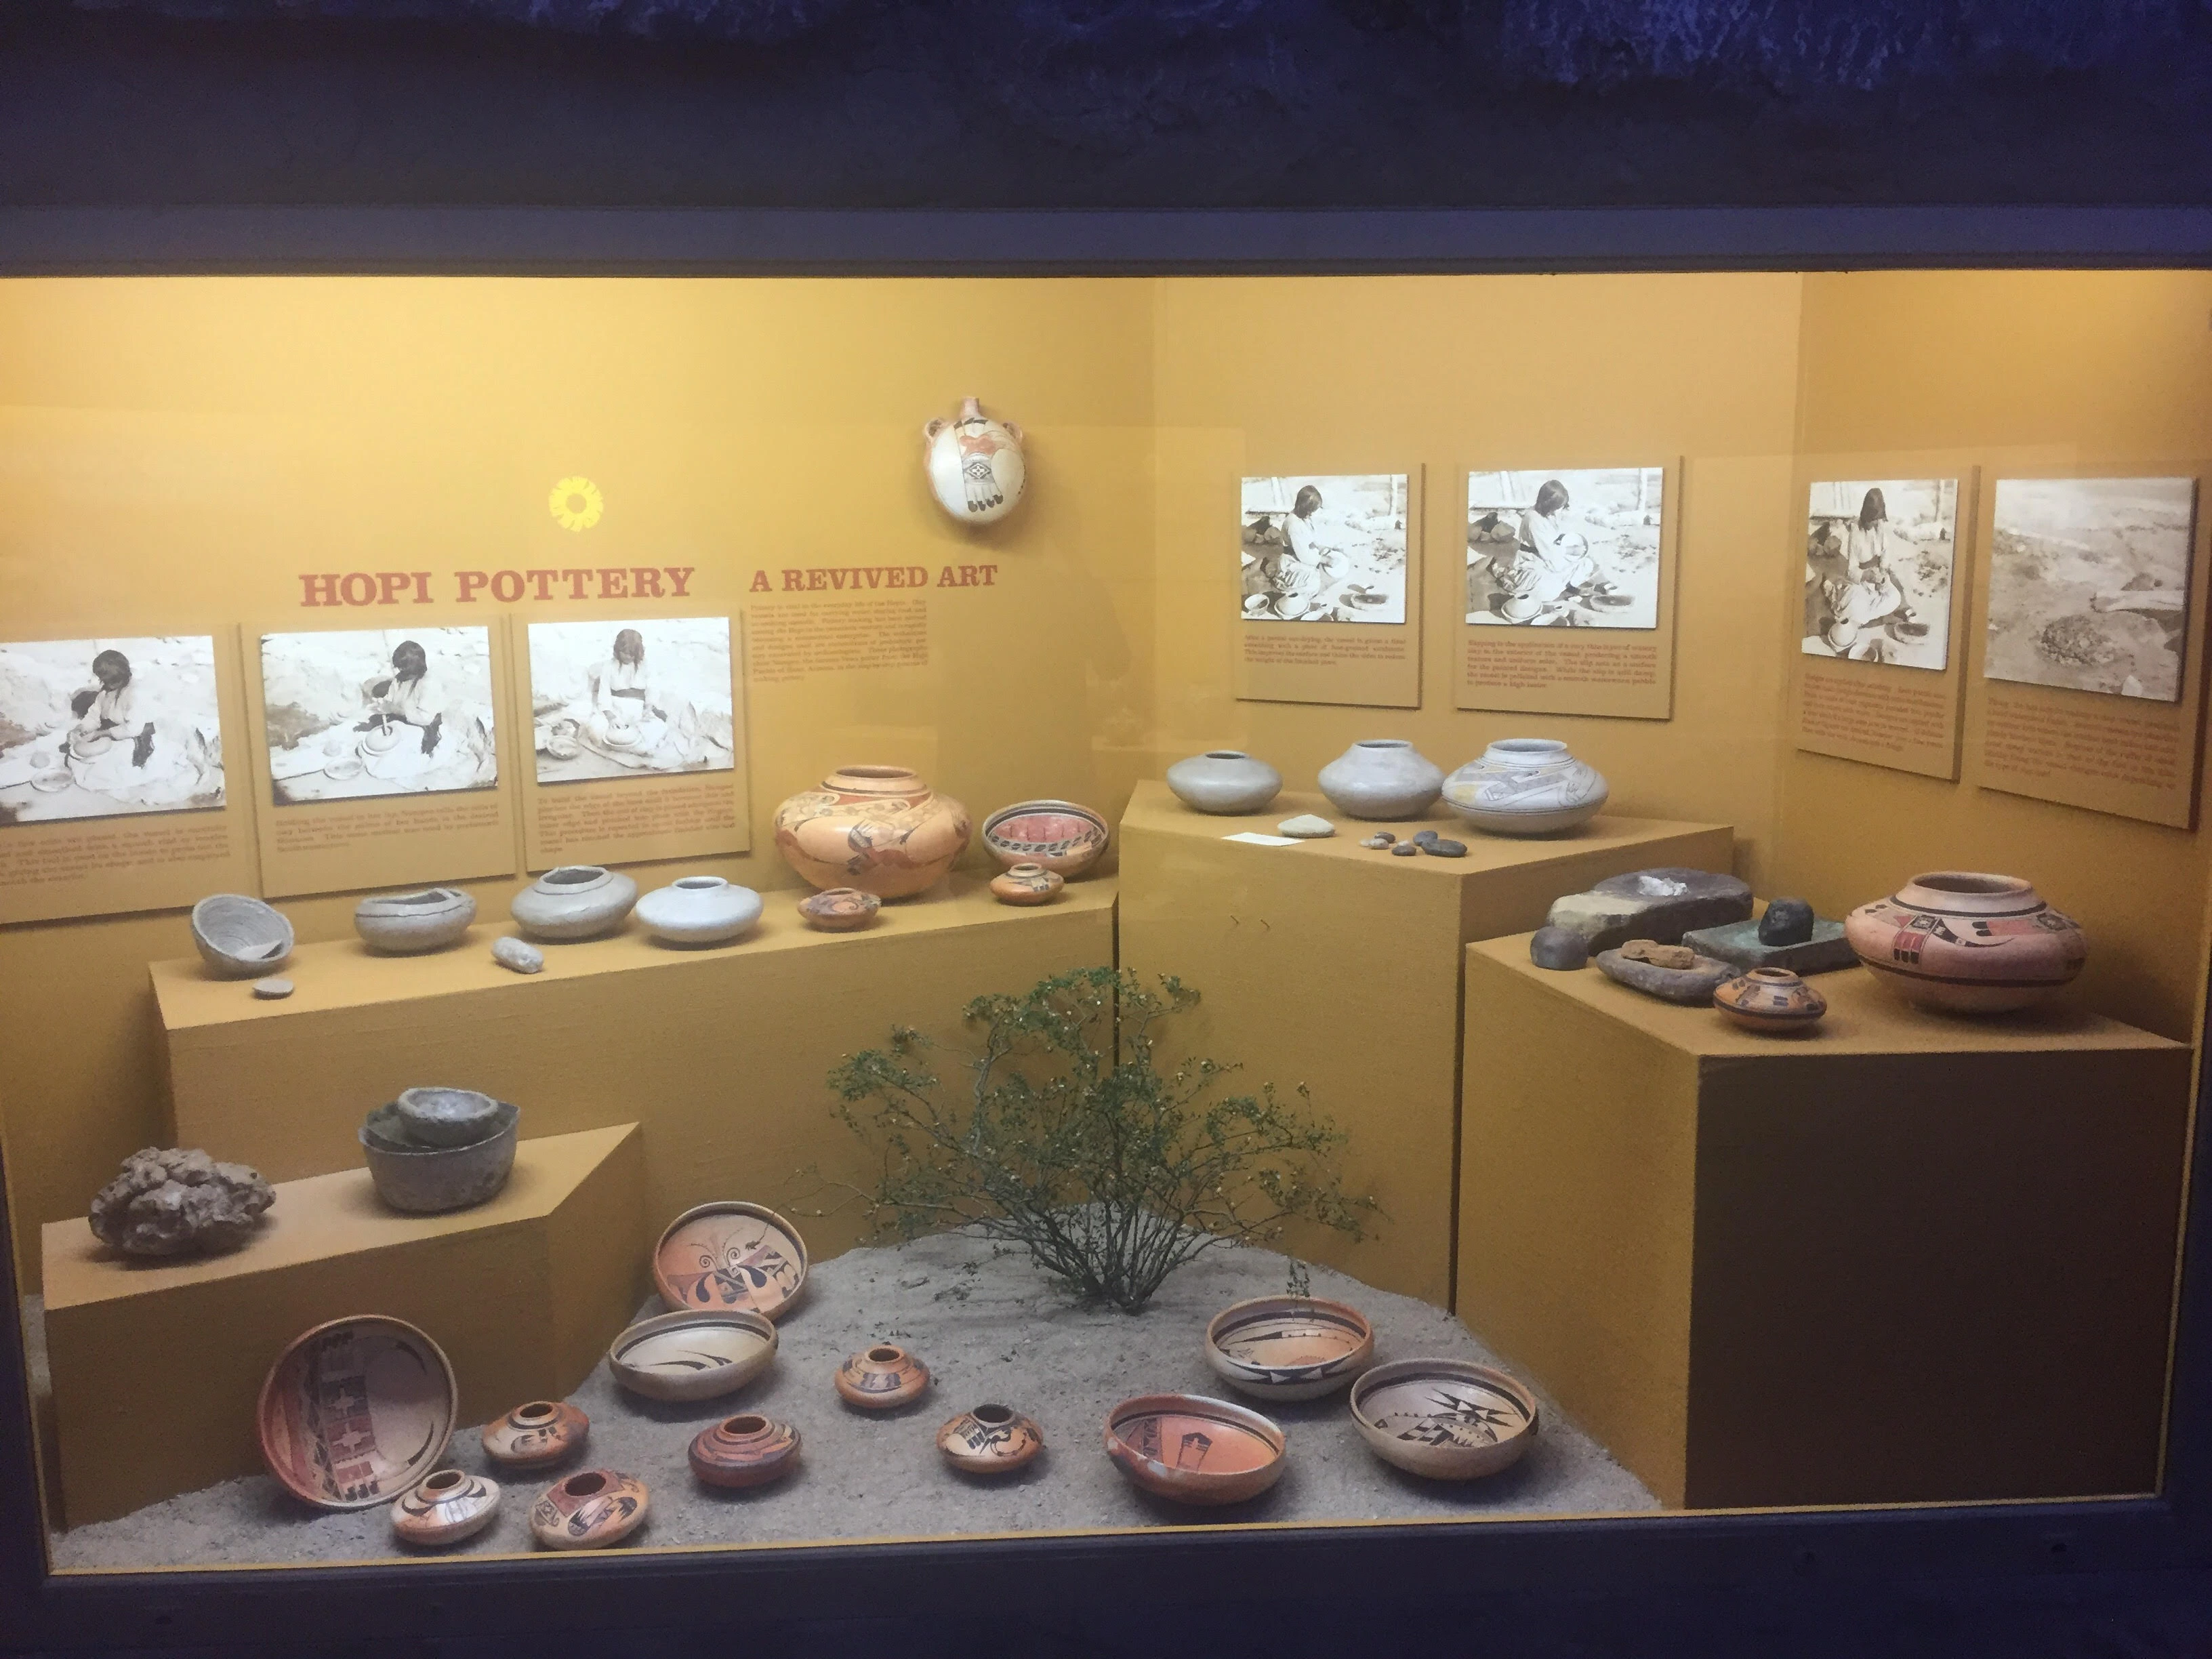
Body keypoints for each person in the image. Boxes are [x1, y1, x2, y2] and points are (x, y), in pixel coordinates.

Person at [1494, 479, 1610, 623]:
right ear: (1549, 504)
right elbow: (1551, 558)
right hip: (1533, 562)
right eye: (1559, 507)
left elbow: (1555, 544)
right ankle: (1564, 587)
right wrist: (1570, 554)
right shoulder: (1533, 519)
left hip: (1549, 556)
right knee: (1548, 589)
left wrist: (1572, 549)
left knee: (1586, 563)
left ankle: (1566, 584)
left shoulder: (1549, 514)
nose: (1560, 510)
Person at [358, 640, 445, 758]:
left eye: (403, 668)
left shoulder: (428, 684)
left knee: (397, 751)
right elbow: (390, 699)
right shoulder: (400, 678)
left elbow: (425, 718)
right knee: (372, 742)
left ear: (415, 667)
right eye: (400, 668)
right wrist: (381, 705)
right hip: (400, 720)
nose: (400, 671)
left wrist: (396, 710)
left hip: (421, 725)